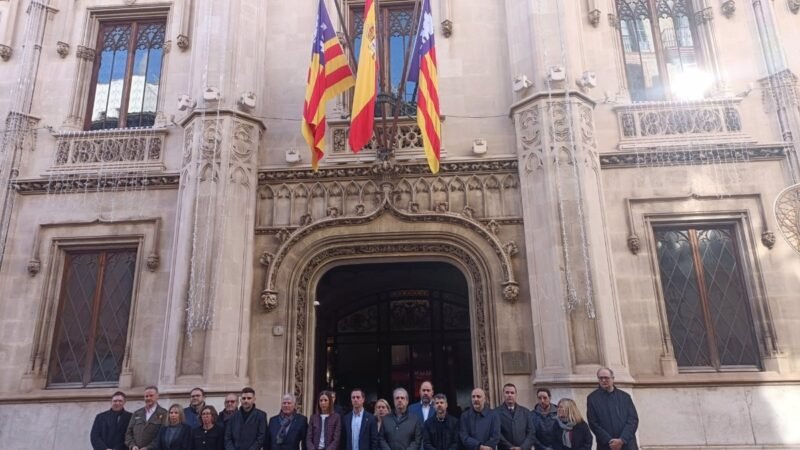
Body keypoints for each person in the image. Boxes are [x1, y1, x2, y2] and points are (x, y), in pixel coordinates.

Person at [586, 368, 639, 450]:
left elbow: (633, 420)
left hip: (627, 444)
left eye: (606, 378)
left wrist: (622, 440)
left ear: (613, 378)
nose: (603, 380)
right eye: (600, 378)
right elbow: (593, 423)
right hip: (606, 445)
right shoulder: (592, 399)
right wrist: (609, 441)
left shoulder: (625, 397)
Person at [495, 384, 537, 450]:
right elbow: (497, 433)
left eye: (512, 393)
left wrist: (522, 447)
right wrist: (510, 447)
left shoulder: (525, 412)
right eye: (507, 392)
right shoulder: (496, 413)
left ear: (516, 395)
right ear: (503, 394)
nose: (509, 395)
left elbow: (531, 433)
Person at [126, 385, 168, 450]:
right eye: (146, 396)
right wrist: (132, 445)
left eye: (151, 396)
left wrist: (148, 448)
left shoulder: (164, 413)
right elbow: (128, 433)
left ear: (157, 396)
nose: (148, 398)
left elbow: (162, 435)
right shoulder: (137, 413)